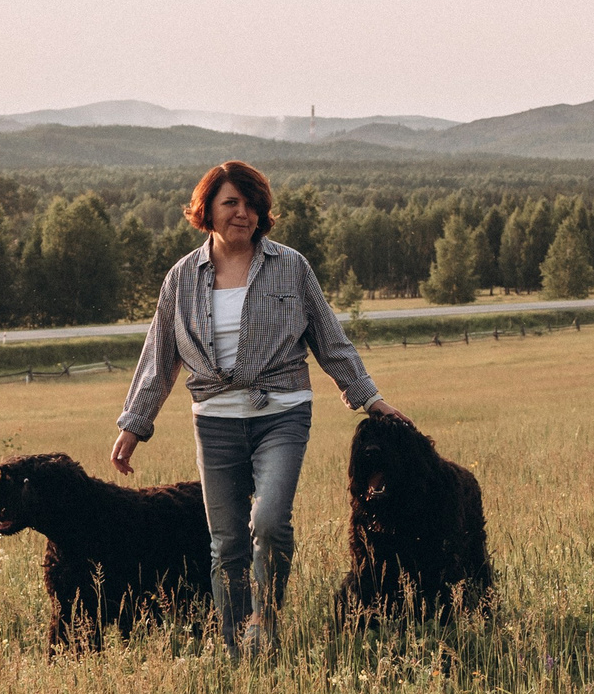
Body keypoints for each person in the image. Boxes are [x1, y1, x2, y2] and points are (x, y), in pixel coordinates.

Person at [112, 160, 404, 654]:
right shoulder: (181, 279)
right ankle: (235, 648)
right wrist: (134, 425)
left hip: (282, 413)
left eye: (251, 204)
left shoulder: (291, 266)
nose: (242, 213)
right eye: (231, 203)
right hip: (216, 421)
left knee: (268, 523)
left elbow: (331, 340)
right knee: (226, 542)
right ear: (207, 210)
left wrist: (369, 399)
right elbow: (159, 357)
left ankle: (262, 625)